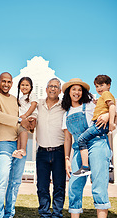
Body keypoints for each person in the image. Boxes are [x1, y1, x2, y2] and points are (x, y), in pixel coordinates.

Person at [62, 78, 111, 218]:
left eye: (79, 89)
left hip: (96, 144)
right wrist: (67, 158)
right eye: (74, 89)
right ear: (68, 92)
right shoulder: (66, 113)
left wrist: (108, 115)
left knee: (99, 185)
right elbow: (67, 138)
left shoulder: (91, 105)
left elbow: (112, 106)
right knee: (73, 187)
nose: (77, 92)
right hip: (78, 149)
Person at [0, 72, 32, 218]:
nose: (6, 84)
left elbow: (20, 122)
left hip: (18, 143)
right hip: (4, 142)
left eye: (9, 82)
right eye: (3, 81)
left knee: (15, 182)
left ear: (12, 84)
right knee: (2, 179)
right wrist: (20, 120)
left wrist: (25, 126)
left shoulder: (15, 100)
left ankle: (9, 214)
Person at [73, 75, 116, 177]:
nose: (99, 88)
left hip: (100, 124)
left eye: (101, 85)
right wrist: (98, 102)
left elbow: (112, 106)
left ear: (108, 85)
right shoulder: (103, 97)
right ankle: (109, 162)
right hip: (100, 124)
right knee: (104, 138)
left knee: (81, 139)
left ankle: (85, 167)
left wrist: (111, 122)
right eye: (97, 86)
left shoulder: (106, 94)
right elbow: (105, 106)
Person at [36, 78, 66, 218]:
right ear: (46, 89)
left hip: (59, 151)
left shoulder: (65, 105)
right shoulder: (38, 104)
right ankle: (44, 213)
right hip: (41, 152)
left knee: (59, 186)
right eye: (50, 86)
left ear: (60, 91)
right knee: (42, 186)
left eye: (56, 87)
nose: (53, 89)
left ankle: (57, 214)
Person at [12, 77, 38, 159]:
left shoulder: (32, 95)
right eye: (22, 85)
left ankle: (23, 149)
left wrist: (26, 115)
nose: (24, 87)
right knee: (20, 132)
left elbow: (34, 105)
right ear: (19, 86)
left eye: (27, 85)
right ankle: (19, 150)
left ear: (31, 87)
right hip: (23, 119)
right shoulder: (21, 98)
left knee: (23, 130)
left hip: (31, 116)